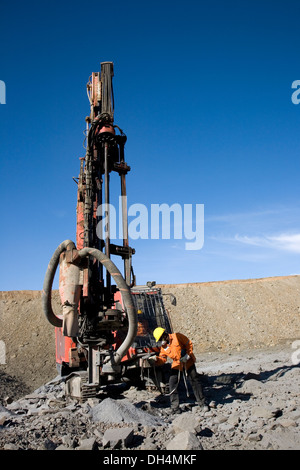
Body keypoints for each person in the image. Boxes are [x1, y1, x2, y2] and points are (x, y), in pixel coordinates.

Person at [149, 327, 208, 413]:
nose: (161, 341)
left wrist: (188, 355)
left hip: (188, 362)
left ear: (164, 335)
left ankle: (202, 404)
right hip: (177, 364)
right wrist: (156, 360)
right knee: (172, 383)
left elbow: (189, 344)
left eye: (161, 338)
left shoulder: (177, 336)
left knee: (195, 381)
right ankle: (175, 408)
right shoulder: (164, 347)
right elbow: (163, 359)